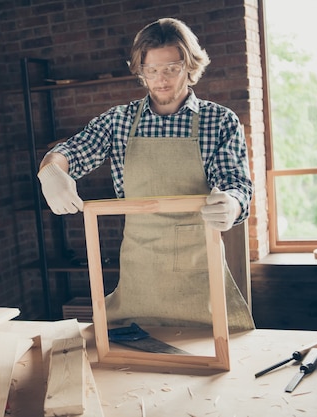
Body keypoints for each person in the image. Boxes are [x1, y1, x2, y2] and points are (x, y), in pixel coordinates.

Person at [37, 18, 254, 331]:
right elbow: (70, 152)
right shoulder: (119, 121)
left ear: (190, 66)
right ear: (140, 70)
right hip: (140, 272)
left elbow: (238, 187)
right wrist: (50, 169)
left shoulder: (219, 121)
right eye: (151, 70)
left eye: (171, 69)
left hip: (199, 276)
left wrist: (231, 205)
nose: (160, 80)